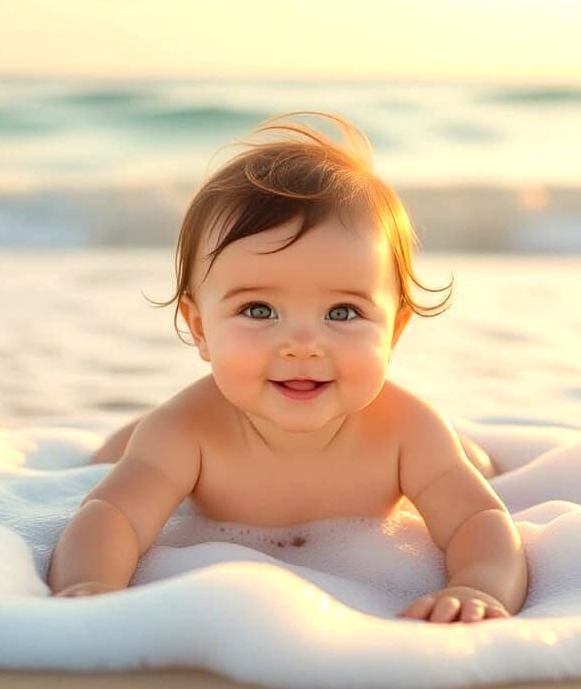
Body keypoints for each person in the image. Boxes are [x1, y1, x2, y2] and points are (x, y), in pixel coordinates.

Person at [47, 111, 528, 624]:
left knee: (475, 465)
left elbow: (478, 519)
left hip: (427, 469)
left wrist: (478, 585)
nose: (302, 345)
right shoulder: (186, 432)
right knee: (119, 456)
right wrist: (90, 584)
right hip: (170, 450)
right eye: (259, 311)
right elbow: (113, 515)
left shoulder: (409, 432)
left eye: (342, 312)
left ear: (395, 331)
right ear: (200, 327)